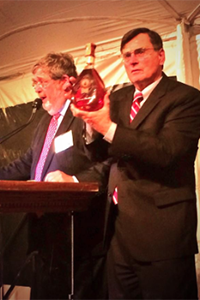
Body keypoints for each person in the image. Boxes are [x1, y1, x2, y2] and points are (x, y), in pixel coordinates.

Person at [71, 27, 200, 300]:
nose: (132, 60)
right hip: (117, 235)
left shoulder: (186, 99)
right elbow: (98, 155)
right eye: (126, 55)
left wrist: (107, 126)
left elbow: (166, 151)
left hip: (163, 237)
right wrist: (92, 126)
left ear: (162, 55)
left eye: (140, 52)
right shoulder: (117, 98)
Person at [0, 52, 109, 300]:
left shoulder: (84, 114)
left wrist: (74, 181)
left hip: (76, 232)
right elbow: (27, 162)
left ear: (66, 82)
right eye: (34, 83)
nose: (37, 88)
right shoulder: (43, 122)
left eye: (42, 81)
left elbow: (106, 161)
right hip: (43, 230)